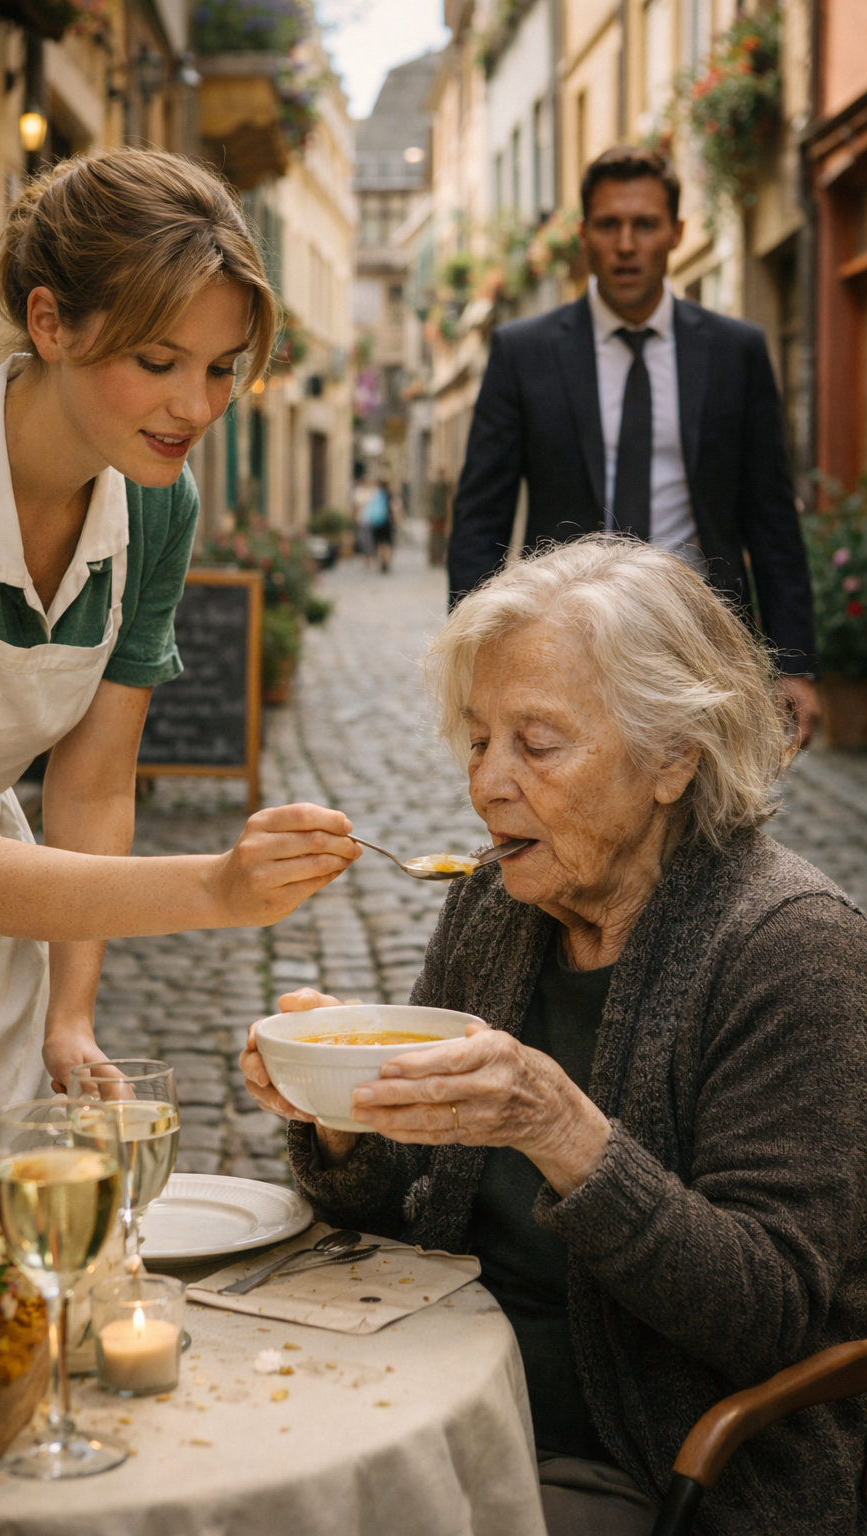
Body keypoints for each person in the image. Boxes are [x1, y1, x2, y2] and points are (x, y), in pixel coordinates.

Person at [241, 537, 867, 1536]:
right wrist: (336, 1115)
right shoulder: (495, 903)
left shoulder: (789, 945)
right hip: (427, 1400)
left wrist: (561, 1130)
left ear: (671, 759)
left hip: (641, 1462)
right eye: (479, 737)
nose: (485, 782)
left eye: (536, 744)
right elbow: (394, 1208)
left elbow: (766, 1312)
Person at [0, 149, 359, 1203]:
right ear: (49, 323)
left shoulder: (154, 504)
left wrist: (68, 1013)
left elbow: (91, 787)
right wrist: (215, 889)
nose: (196, 406)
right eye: (160, 360)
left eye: (219, 368)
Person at [446, 145, 820, 746]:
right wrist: (473, 656)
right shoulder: (525, 352)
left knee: (707, 828)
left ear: (675, 232)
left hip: (701, 643)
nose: (626, 244)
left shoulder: (735, 352)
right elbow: (480, 516)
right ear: (584, 235)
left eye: (644, 225)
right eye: (608, 224)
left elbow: (771, 517)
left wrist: (795, 663)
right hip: (566, 640)